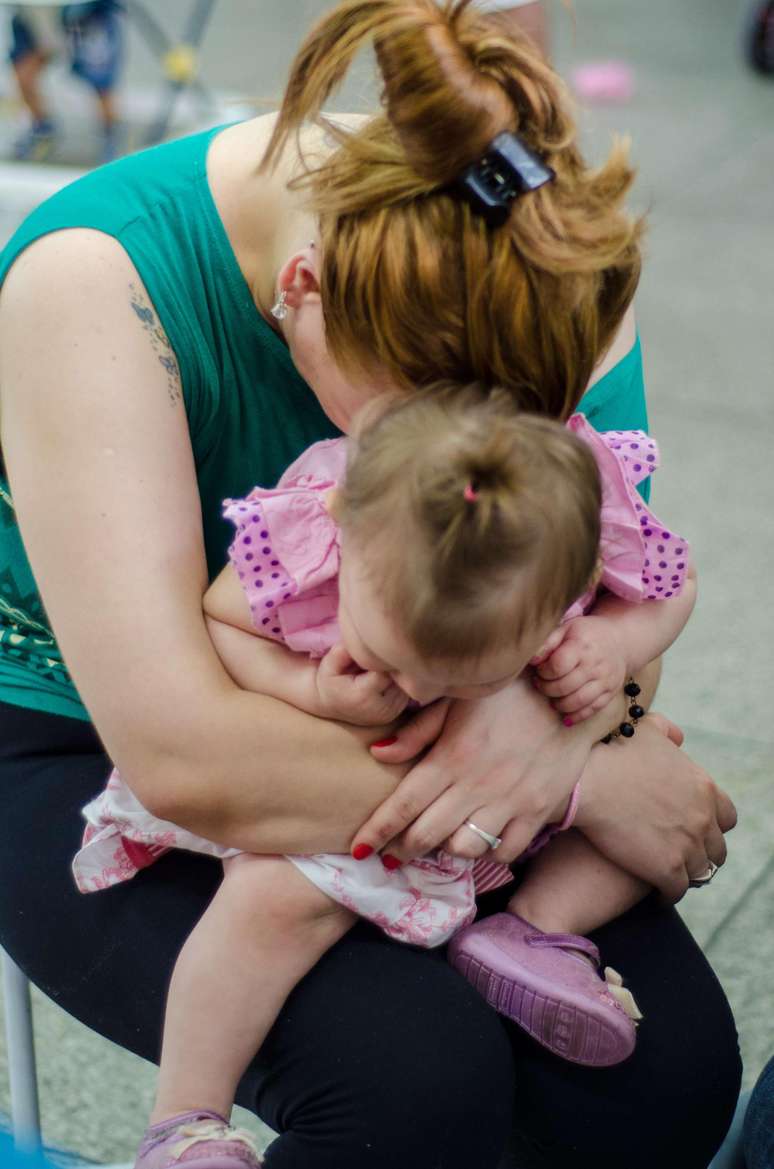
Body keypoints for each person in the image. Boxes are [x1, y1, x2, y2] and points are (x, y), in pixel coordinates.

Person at [0, 2, 740, 1167]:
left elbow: (611, 590)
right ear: (306, 284)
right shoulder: (93, 281)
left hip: (461, 722)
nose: (469, 458)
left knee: (663, 1083)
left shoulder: (547, 257)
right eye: (420, 413)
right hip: (89, 749)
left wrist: (574, 724)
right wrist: (577, 783)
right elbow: (183, 749)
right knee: (411, 1087)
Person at [69, 388, 694, 1167]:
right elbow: (221, 625)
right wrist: (314, 690)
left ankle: (531, 933)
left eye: (460, 676)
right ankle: (185, 1120)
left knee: (641, 776)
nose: (421, 689)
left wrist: (613, 642)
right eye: (392, 655)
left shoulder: (562, 528)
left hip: (500, 804)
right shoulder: (318, 542)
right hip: (339, 792)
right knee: (271, 902)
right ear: (344, 535)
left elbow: (672, 587)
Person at [7, 2, 123, 163]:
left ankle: (110, 136)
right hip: (32, 11)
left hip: (85, 12)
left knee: (101, 81)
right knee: (23, 74)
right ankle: (42, 129)